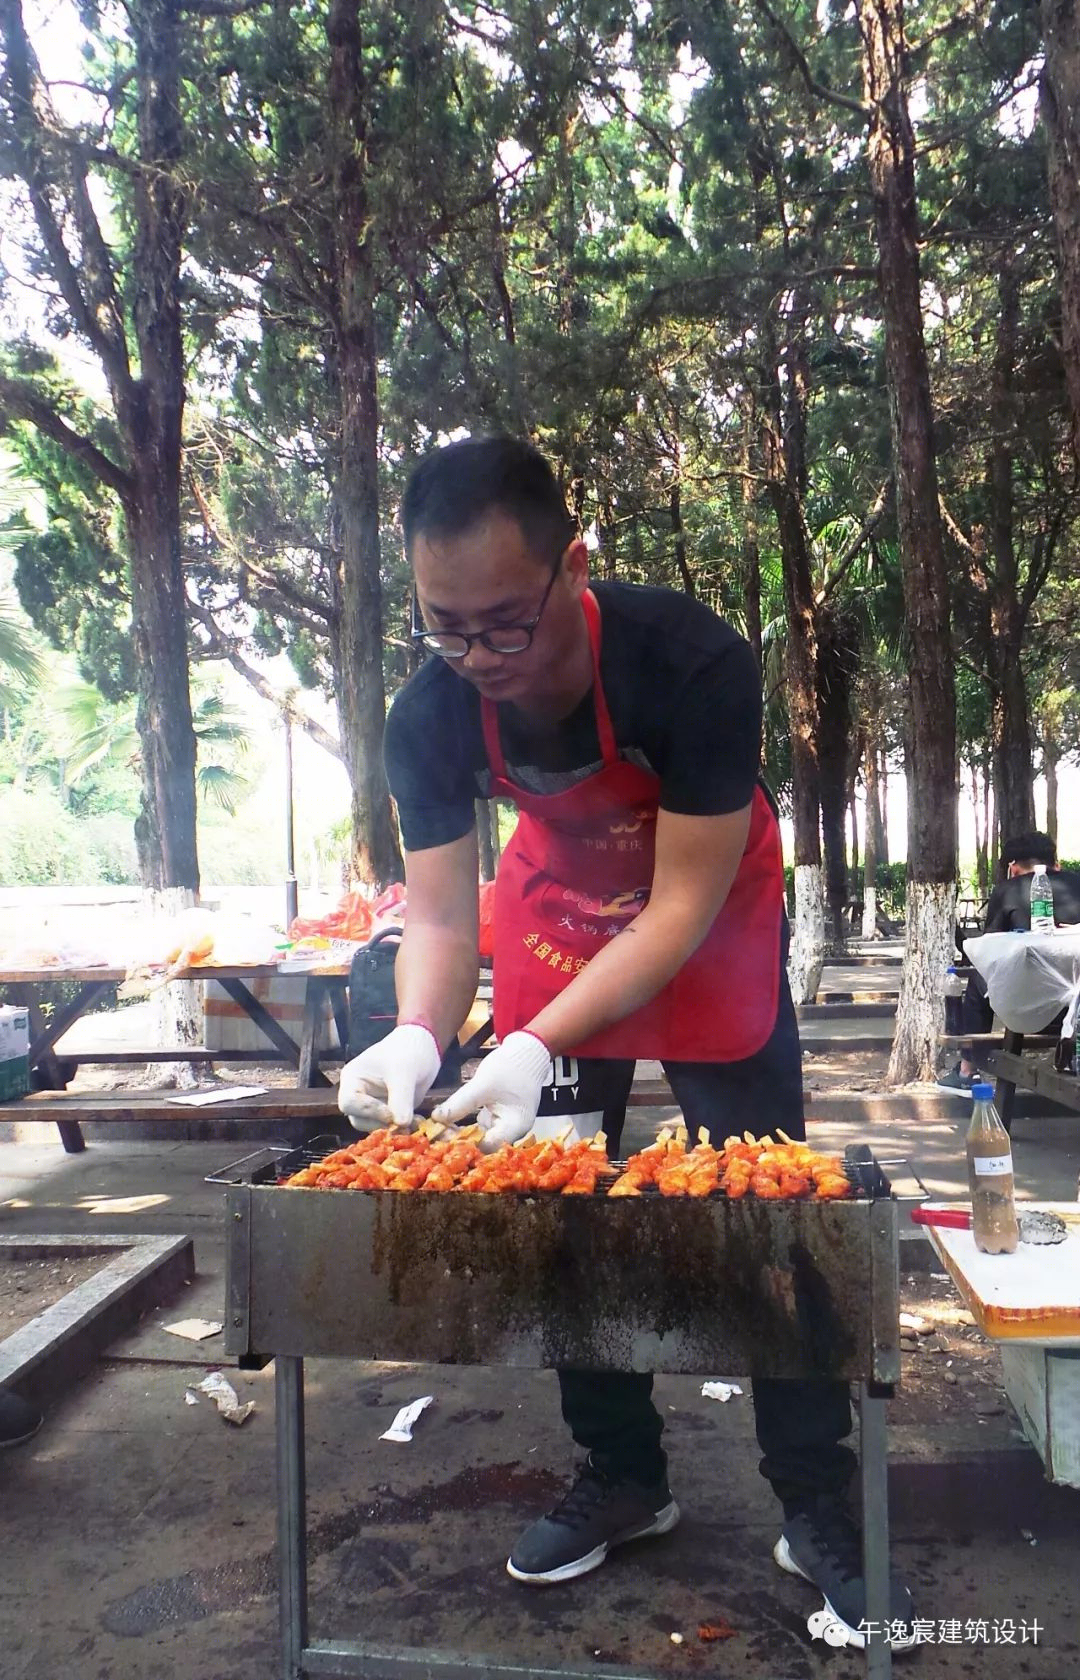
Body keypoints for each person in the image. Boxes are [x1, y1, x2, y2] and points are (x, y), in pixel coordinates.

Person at [338, 435, 916, 1649]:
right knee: (567, 1207)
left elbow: (679, 909)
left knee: (767, 1209)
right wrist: (416, 1033)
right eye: (447, 628)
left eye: (505, 622)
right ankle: (623, 1470)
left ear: (573, 566)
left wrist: (535, 1035)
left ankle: (815, 1499)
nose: (480, 659)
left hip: (703, 921)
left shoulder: (691, 660)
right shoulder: (431, 714)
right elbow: (443, 915)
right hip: (554, 917)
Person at [938, 831, 1080, 1095]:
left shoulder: (1007, 890)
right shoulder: (1077, 882)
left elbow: (988, 950)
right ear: (1055, 863)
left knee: (981, 977)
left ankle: (967, 1070)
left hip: (1030, 1008)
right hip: (1076, 1007)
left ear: (1013, 868)